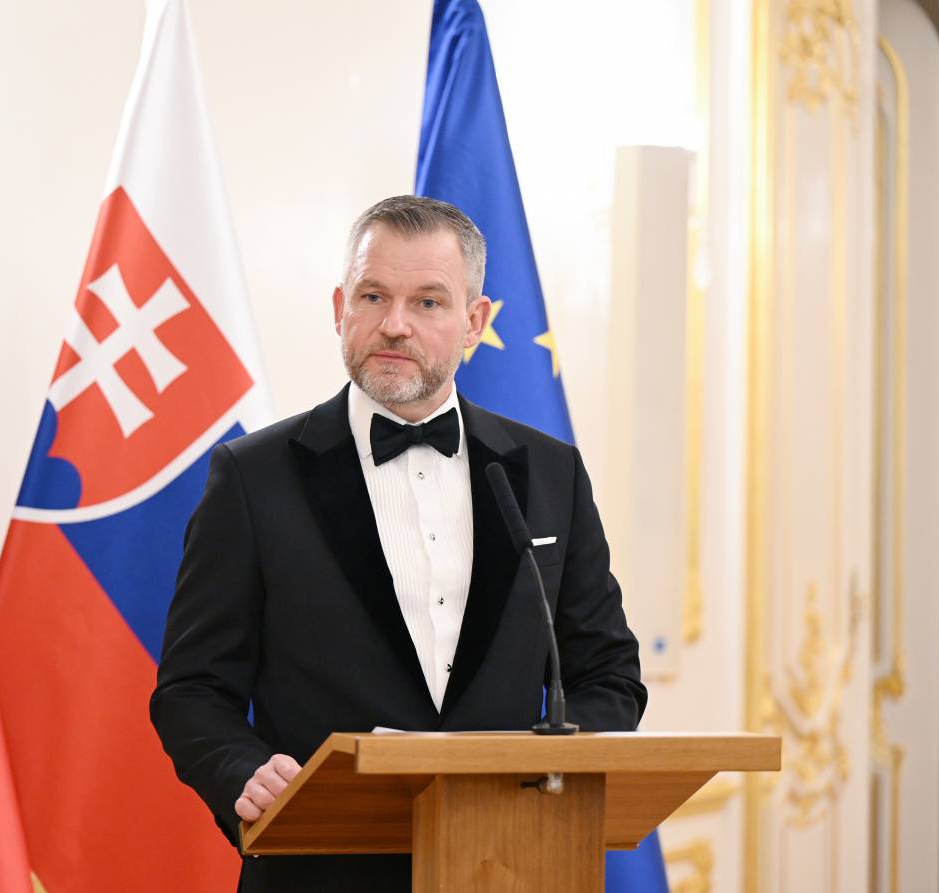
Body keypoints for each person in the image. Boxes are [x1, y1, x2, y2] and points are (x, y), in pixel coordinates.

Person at [150, 195, 646, 892]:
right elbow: (193, 688)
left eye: (428, 302)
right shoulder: (252, 476)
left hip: (509, 865)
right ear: (339, 308)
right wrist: (242, 770)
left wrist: (531, 772)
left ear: (474, 322)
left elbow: (608, 674)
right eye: (373, 295)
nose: (394, 324)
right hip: (318, 872)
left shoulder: (550, 472)